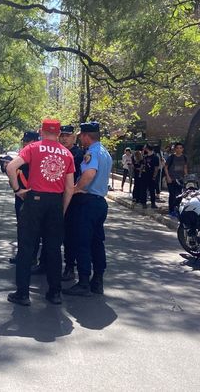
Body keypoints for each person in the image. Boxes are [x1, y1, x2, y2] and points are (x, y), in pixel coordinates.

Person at [6, 119, 75, 306]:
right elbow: (70, 187)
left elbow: (11, 167)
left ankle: (22, 293)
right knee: (53, 249)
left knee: (26, 247)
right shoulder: (67, 154)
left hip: (34, 200)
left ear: (41, 132)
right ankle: (54, 293)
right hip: (55, 202)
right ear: (58, 133)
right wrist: (62, 209)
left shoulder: (33, 148)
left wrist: (17, 190)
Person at [63, 122, 112, 296]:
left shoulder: (91, 152)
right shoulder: (105, 152)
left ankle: (83, 282)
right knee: (97, 242)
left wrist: (76, 188)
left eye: (80, 136)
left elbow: (89, 173)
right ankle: (97, 280)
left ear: (85, 136)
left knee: (82, 242)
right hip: (100, 203)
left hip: (87, 202)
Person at [4, 131, 39, 265]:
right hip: (20, 196)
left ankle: (32, 257)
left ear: (35, 141)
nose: (25, 143)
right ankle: (22, 255)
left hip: (33, 196)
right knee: (22, 227)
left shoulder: (36, 155)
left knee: (33, 229)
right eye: (24, 140)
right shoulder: (23, 156)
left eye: (28, 140)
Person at [59, 125, 84, 281]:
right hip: (56, 196)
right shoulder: (57, 152)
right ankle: (46, 262)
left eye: (67, 135)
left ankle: (69, 267)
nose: (64, 138)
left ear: (74, 137)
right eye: (62, 135)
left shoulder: (79, 154)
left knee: (70, 235)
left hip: (73, 198)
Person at [164, 142, 188, 217]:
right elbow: (166, 167)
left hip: (180, 179)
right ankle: (171, 210)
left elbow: (185, 167)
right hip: (171, 179)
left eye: (180, 148)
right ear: (175, 149)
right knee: (172, 194)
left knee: (180, 195)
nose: (179, 149)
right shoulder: (171, 157)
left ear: (182, 149)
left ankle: (177, 209)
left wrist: (186, 177)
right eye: (177, 148)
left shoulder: (184, 157)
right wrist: (168, 177)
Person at [137, 144, 159, 209]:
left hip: (151, 175)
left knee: (152, 190)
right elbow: (142, 165)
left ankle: (153, 203)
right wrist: (140, 173)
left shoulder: (155, 157)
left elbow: (156, 168)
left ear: (147, 149)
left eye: (144, 148)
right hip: (144, 175)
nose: (143, 150)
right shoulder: (145, 157)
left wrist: (154, 176)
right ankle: (143, 203)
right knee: (143, 189)